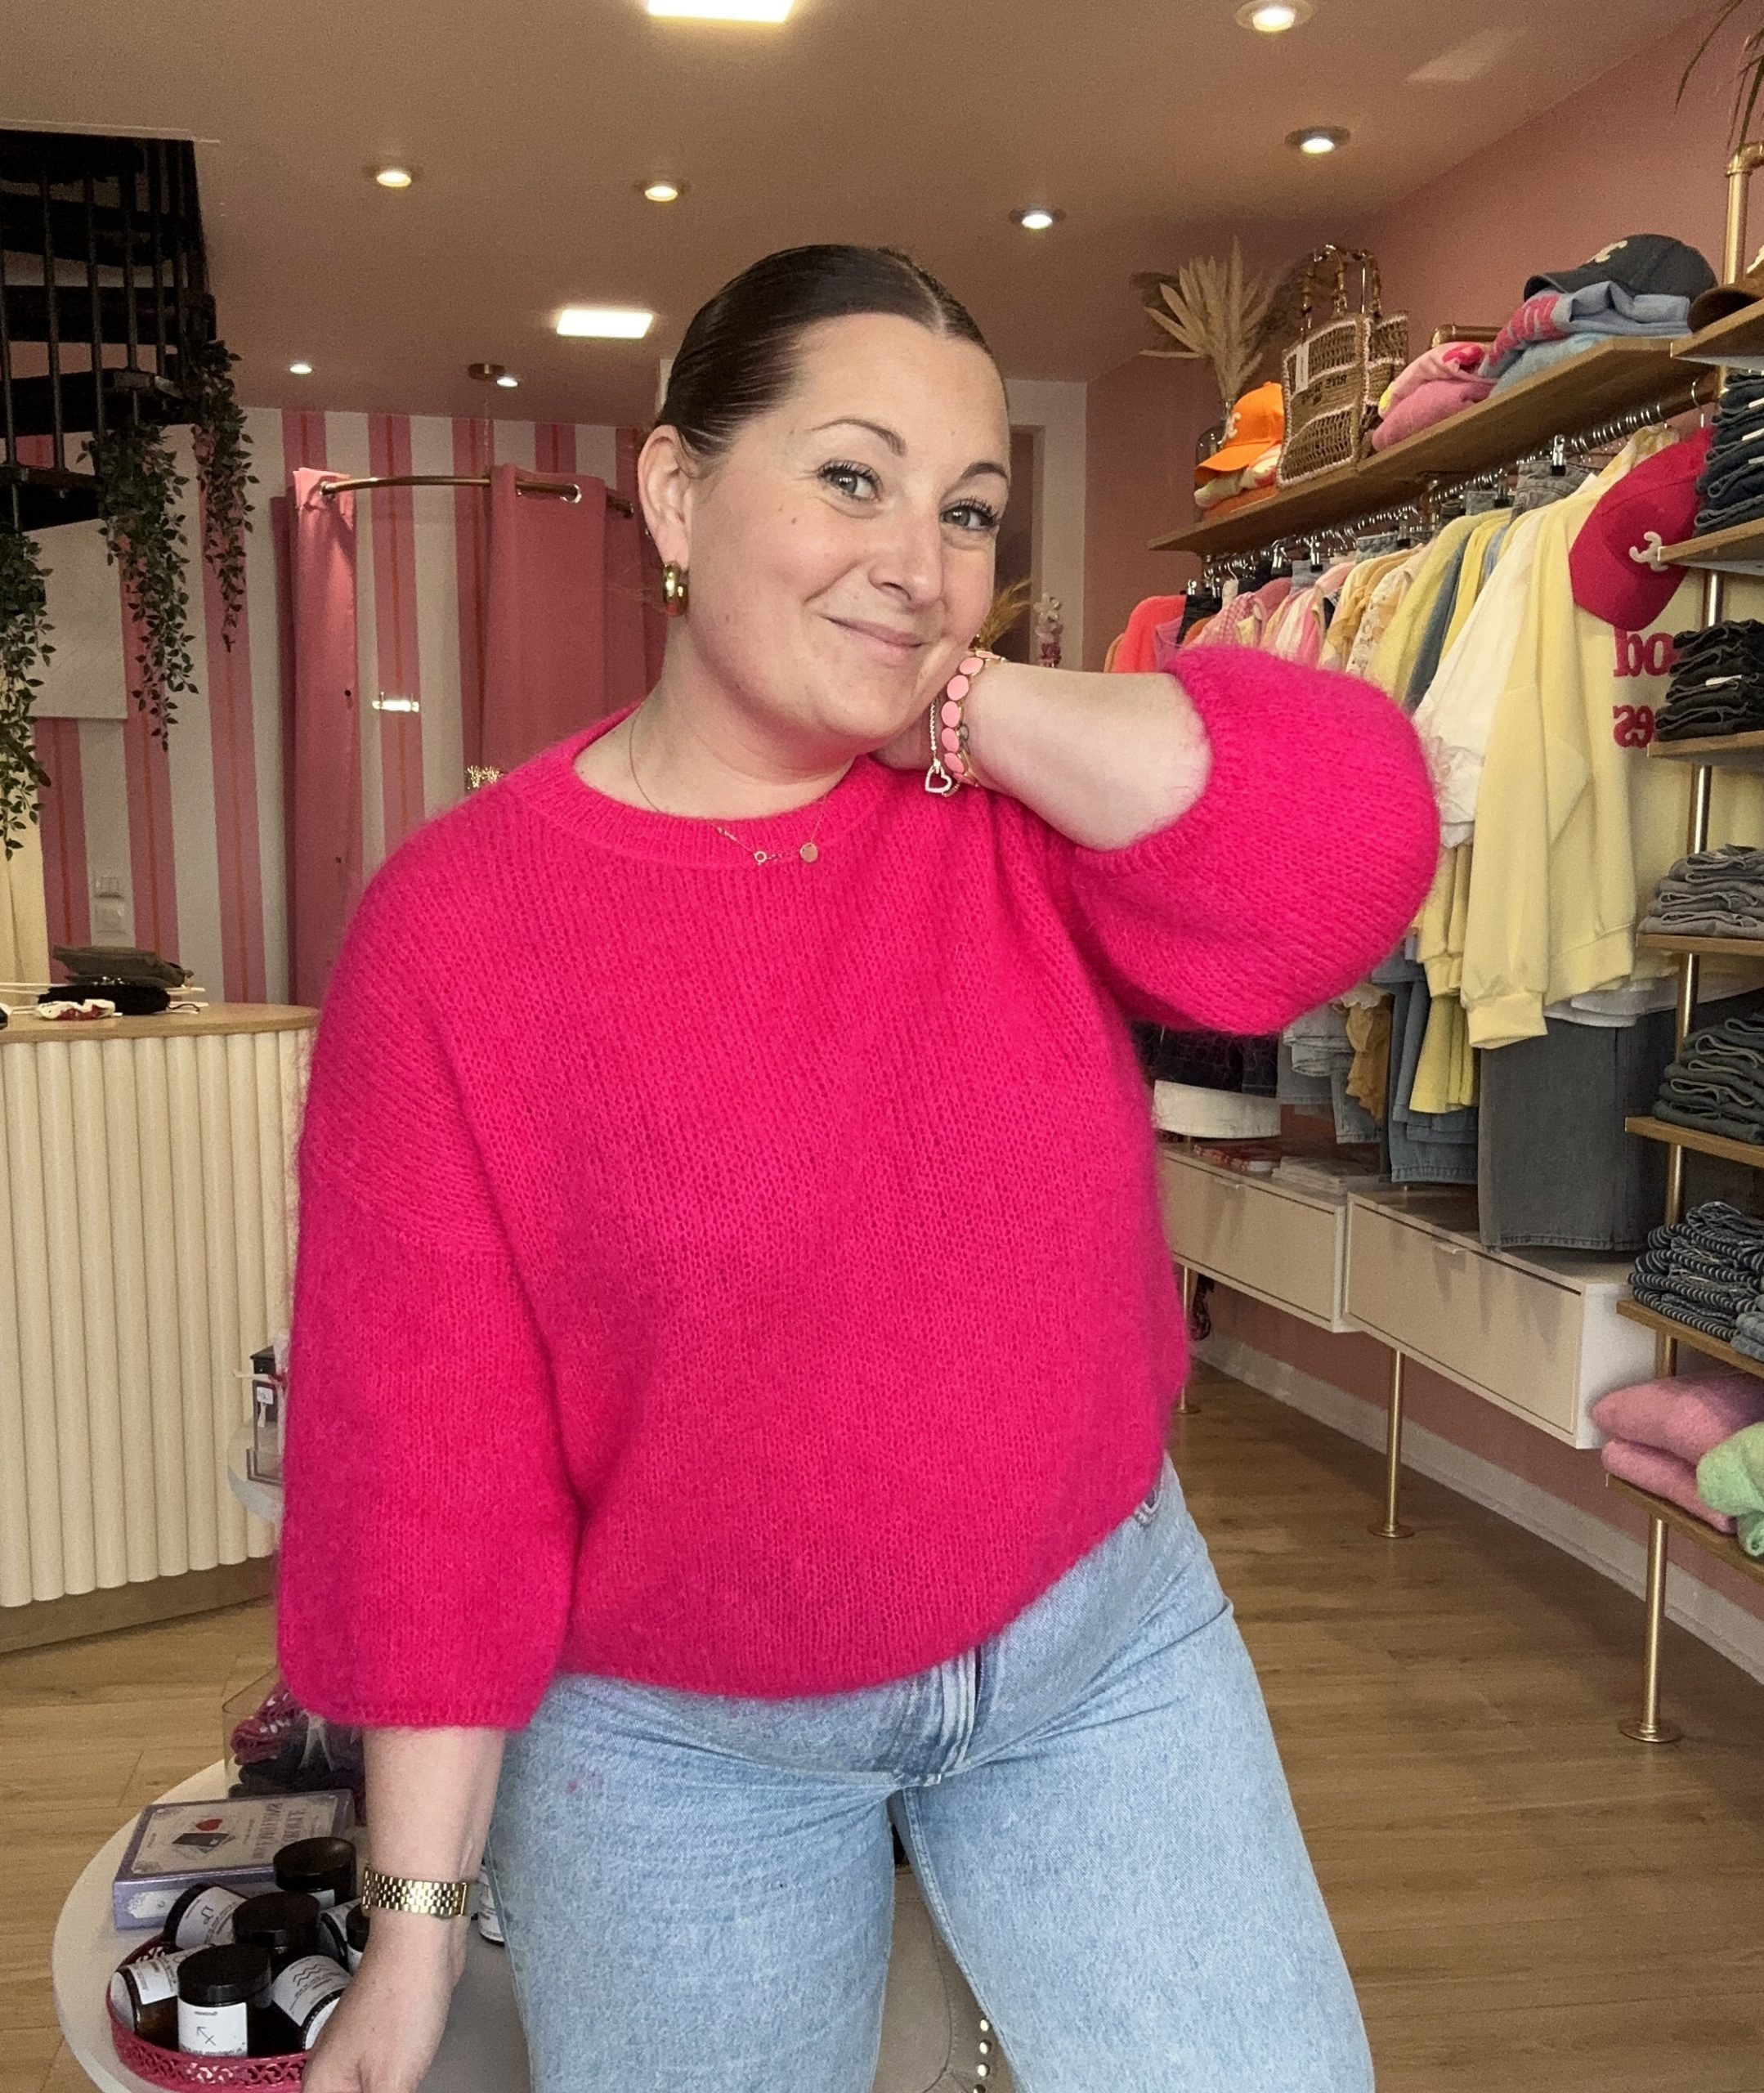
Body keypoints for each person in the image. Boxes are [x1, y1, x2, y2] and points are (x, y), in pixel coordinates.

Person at [280, 243, 1439, 2093]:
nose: (918, 558)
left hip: (1100, 1654)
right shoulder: (457, 934)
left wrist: (969, 709)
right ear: (676, 493)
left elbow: (1351, 840)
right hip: (677, 1748)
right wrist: (412, 1936)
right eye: (849, 476)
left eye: (966, 510)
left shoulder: (1010, 820)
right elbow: (428, 1467)